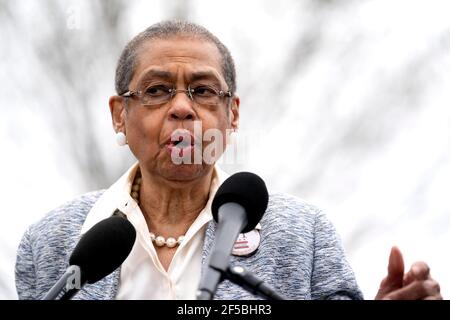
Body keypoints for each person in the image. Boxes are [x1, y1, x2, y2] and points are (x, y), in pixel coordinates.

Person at [15, 20, 442, 300]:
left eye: (202, 91)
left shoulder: (304, 236)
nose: (182, 108)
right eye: (158, 90)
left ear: (231, 114)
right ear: (118, 115)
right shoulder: (51, 243)